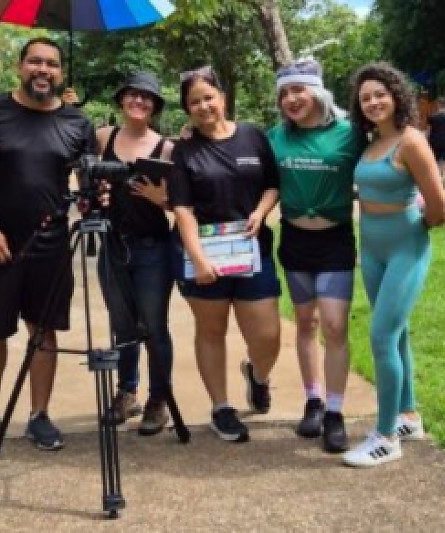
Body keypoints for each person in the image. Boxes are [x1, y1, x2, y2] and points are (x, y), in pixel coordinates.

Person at [0, 37, 96, 455]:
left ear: (61, 73)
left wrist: (94, 196)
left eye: (52, 64)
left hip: (51, 245)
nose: (43, 70)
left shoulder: (77, 123)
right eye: (35, 61)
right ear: (20, 67)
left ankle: (39, 415)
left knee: (44, 331)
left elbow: (87, 182)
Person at [343, 61, 445, 467]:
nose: (373, 102)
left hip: (406, 247)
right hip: (372, 248)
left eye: (380, 94)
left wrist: (414, 229)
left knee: (382, 335)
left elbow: (439, 210)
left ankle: (385, 437)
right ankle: (408, 416)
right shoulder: (371, 143)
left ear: (396, 96)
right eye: (365, 98)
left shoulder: (411, 141)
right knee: (397, 333)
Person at [169, 65, 281, 443]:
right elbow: (182, 209)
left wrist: (260, 212)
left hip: (252, 253)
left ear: (223, 98)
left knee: (267, 335)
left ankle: (258, 375)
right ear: (187, 109)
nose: (203, 106)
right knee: (211, 331)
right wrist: (199, 259)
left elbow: (272, 185)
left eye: (209, 98)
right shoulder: (184, 150)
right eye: (194, 102)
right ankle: (221, 407)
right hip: (205, 257)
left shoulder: (253, 136)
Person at [266, 58, 364, 453]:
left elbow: (386, 161)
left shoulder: (350, 133)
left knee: (335, 326)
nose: (291, 99)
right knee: (305, 322)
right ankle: (313, 401)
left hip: (335, 240)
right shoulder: (275, 137)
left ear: (317, 92)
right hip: (294, 240)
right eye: (284, 94)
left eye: (298, 90)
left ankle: (336, 412)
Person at [95, 71, 175, 436]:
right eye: (132, 94)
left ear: (155, 105)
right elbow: (84, 174)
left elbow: (180, 202)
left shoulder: (167, 148)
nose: (138, 101)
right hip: (112, 246)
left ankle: (159, 399)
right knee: (122, 326)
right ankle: (126, 392)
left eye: (146, 97)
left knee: (154, 326)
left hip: (152, 248)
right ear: (121, 100)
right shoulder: (104, 137)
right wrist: (93, 194)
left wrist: (162, 200)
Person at [425, 97, 445, 187]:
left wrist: (426, 141)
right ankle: (443, 178)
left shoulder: (432, 117)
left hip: (434, 141)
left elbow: (428, 131)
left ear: (438, 105)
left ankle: (437, 178)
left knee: (434, 161)